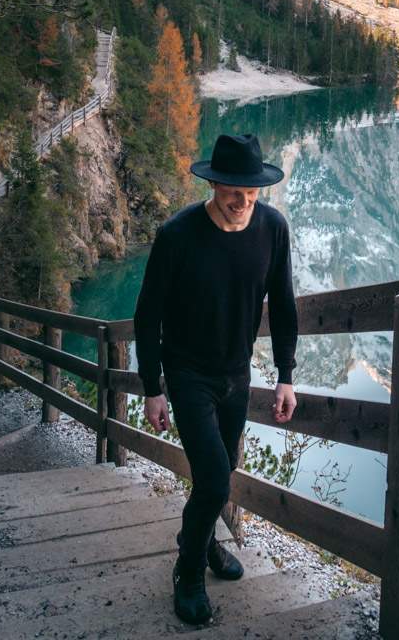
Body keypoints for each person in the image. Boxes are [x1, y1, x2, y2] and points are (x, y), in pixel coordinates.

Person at [133, 132, 298, 625]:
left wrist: (286, 375)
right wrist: (151, 386)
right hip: (187, 373)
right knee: (211, 477)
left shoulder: (273, 228)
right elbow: (147, 315)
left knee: (222, 469)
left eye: (251, 192)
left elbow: (284, 305)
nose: (242, 201)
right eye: (233, 190)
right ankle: (188, 573)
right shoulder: (178, 234)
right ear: (213, 183)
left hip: (236, 373)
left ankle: (200, 542)